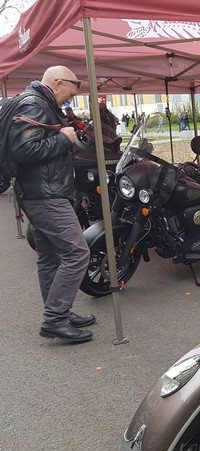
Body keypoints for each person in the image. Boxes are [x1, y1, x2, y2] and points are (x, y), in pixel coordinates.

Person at [9, 66, 95, 343]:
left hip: (39, 192)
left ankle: (59, 312)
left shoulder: (38, 102)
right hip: (45, 195)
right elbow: (23, 150)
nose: (68, 101)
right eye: (68, 95)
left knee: (50, 257)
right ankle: (55, 319)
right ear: (58, 83)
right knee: (77, 253)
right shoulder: (35, 104)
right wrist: (63, 138)